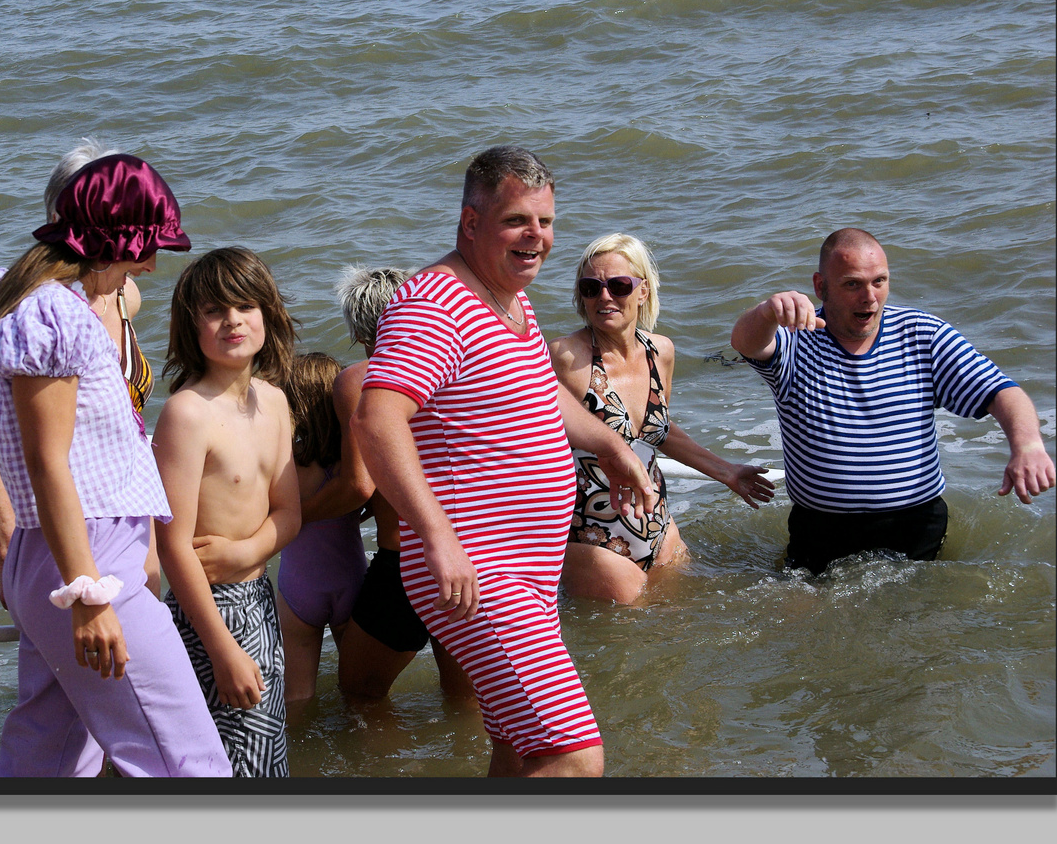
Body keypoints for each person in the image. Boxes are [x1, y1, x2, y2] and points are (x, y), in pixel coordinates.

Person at [0, 153, 230, 778]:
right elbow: (46, 462)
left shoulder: (19, 302)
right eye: (147, 246)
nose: (151, 264)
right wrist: (86, 593)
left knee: (49, 756)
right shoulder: (56, 315)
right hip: (88, 557)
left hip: (45, 556)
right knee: (186, 762)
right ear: (117, 238)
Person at [351, 145, 656, 778]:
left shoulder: (511, 299)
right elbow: (376, 420)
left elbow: (540, 397)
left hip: (527, 572)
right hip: (478, 571)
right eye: (518, 220)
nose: (537, 237)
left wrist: (611, 444)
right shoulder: (434, 303)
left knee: (517, 750)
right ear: (470, 223)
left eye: (545, 222)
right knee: (574, 758)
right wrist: (436, 536)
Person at [729, 227, 1056, 575]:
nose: (869, 297)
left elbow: (1000, 391)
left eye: (879, 281)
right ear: (821, 287)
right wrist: (766, 312)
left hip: (917, 526)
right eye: (853, 284)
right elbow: (745, 343)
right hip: (821, 531)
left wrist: (1028, 447)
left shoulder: (923, 334)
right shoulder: (795, 343)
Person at [0, 138, 164, 604]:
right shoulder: (35, 318)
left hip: (130, 512)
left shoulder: (124, 296)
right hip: (72, 535)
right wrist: (9, 553)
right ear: (59, 217)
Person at [548, 234, 775, 604]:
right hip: (593, 537)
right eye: (591, 288)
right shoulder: (564, 358)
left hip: (660, 525)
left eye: (618, 285)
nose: (604, 297)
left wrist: (726, 471)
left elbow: (658, 432)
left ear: (643, 291)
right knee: (622, 651)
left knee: (675, 641)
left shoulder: (661, 352)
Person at [151, 246, 302, 777]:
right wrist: (221, 650)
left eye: (245, 306)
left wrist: (245, 549)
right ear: (190, 327)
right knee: (222, 761)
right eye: (214, 311)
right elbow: (171, 543)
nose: (232, 320)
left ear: (269, 314)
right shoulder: (187, 413)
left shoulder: (276, 402)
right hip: (207, 613)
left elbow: (288, 513)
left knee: (266, 755)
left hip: (260, 599)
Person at [330, 267, 473, 702]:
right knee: (468, 699)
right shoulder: (458, 373)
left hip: (406, 563)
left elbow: (360, 483)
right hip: (474, 556)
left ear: (359, 331)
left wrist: (291, 514)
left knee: (359, 694)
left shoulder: (360, 379)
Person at [275, 351, 373, 705]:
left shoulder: (287, 464)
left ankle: (299, 758)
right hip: (353, 582)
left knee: (297, 697)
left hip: (298, 590)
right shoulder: (351, 466)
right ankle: (360, 755)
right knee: (358, 697)